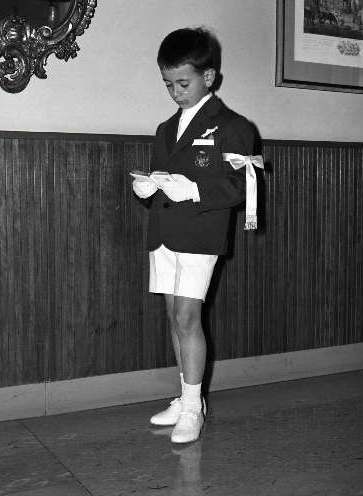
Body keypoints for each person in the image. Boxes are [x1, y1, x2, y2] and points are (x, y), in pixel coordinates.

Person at [132, 27, 261, 444]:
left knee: (188, 318)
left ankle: (193, 408)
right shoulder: (165, 128)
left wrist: (194, 190)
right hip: (165, 234)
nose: (175, 92)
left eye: (183, 83)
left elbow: (243, 186)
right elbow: (163, 177)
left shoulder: (233, 126)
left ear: (209, 76)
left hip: (200, 235)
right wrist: (147, 188)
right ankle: (187, 395)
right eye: (168, 84)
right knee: (174, 317)